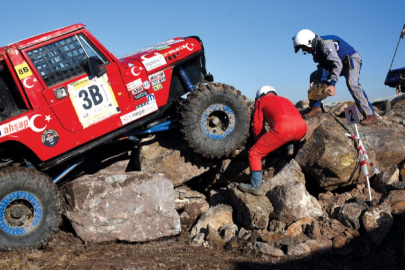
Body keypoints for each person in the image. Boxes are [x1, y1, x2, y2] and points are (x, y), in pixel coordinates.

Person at [292, 29, 376, 125]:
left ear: (309, 42)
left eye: (304, 48)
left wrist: (332, 84)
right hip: (336, 64)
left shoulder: (325, 45)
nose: (305, 51)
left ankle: (369, 114)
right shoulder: (316, 50)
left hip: (350, 60)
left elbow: (337, 64)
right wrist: (317, 80)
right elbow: (323, 67)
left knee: (352, 83)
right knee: (314, 76)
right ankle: (316, 107)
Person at [238, 86, 307, 196]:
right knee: (287, 133)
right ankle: (289, 146)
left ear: (260, 95)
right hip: (302, 128)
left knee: (254, 153)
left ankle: (255, 185)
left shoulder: (261, 101)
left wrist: (259, 142)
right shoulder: (286, 99)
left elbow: (257, 126)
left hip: (282, 129)